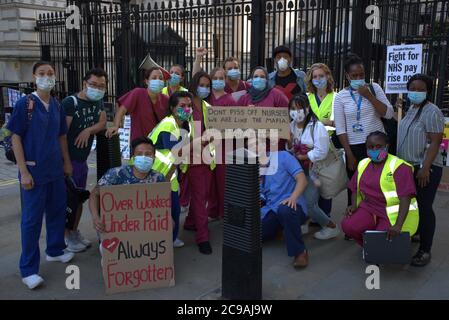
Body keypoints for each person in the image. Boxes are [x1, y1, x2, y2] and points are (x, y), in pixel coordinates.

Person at [7, 61, 74, 290]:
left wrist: (66, 162)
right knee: (32, 221)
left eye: (51, 73)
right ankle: (28, 269)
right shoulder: (25, 105)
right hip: (33, 172)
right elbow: (15, 137)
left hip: (54, 170)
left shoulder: (56, 104)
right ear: (34, 76)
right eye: (42, 73)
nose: (47, 77)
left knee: (57, 212)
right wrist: (23, 171)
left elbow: (61, 137)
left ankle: (55, 250)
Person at [334, 53, 394, 208]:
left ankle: (378, 222)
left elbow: (388, 113)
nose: (358, 78)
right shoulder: (341, 97)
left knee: (379, 184)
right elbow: (340, 128)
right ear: (347, 76)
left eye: (361, 74)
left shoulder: (374, 88)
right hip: (355, 147)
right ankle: (354, 222)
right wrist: (349, 154)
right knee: (355, 187)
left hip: (377, 145)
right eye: (354, 75)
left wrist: (369, 96)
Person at [341, 131, 419, 250]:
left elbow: (405, 197)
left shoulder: (399, 167)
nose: (374, 150)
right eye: (371, 147)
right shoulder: (363, 164)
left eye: (379, 146)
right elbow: (354, 188)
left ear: (387, 146)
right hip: (369, 208)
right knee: (348, 226)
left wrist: (398, 225)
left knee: (382, 240)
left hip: (390, 213)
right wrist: (353, 205)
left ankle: (378, 248)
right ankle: (369, 247)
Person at [397, 74, 445, 266]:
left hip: (425, 167)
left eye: (420, 89)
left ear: (427, 91)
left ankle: (425, 250)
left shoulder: (432, 111)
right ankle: (417, 233)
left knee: (425, 208)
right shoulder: (411, 109)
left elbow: (435, 142)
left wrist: (425, 168)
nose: (415, 92)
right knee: (414, 206)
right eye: (413, 89)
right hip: (408, 166)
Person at [62, 68, 108, 253]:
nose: (97, 88)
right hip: (69, 160)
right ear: (84, 84)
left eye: (101, 86)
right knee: (68, 202)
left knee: (79, 199)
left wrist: (88, 130)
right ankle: (66, 237)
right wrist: (65, 162)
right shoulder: (70, 103)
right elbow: (61, 136)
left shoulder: (98, 102)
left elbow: (103, 122)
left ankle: (73, 232)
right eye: (93, 84)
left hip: (81, 160)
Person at [287, 94, 340, 240]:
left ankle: (331, 226)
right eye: (292, 109)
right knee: (298, 199)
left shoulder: (317, 126)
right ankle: (303, 222)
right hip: (298, 170)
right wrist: (290, 143)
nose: (296, 112)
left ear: (307, 108)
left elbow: (321, 151)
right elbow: (290, 149)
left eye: (299, 108)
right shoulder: (290, 126)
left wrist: (304, 156)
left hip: (314, 171)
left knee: (309, 203)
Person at [88, 137, 165, 234]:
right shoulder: (116, 174)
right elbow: (94, 194)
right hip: (116, 229)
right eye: (139, 154)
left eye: (148, 154)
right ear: (133, 157)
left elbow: (163, 205)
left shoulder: (159, 178)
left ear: (154, 157)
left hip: (145, 230)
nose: (144, 157)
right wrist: (95, 217)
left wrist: (167, 219)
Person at [149, 91, 195, 249]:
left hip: (170, 173)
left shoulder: (185, 125)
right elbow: (177, 152)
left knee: (174, 208)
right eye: (182, 106)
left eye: (189, 106)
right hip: (154, 173)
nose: (187, 109)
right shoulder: (168, 124)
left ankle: (171, 238)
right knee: (159, 209)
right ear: (172, 108)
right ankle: (157, 241)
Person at [181, 71, 216, 255]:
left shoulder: (207, 106)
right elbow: (178, 127)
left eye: (207, 85)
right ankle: (202, 237)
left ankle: (191, 222)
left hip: (207, 158)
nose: (205, 88)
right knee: (200, 197)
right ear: (194, 85)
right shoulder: (186, 106)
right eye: (202, 84)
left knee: (201, 195)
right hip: (192, 158)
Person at [260, 151, 309, 268]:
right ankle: (281, 229)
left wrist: (293, 198)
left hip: (293, 206)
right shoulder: (257, 167)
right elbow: (262, 196)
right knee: (253, 234)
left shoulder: (283, 156)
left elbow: (302, 179)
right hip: (271, 209)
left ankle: (300, 252)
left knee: (285, 210)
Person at [305, 63, 336, 216]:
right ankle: (312, 215)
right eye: (315, 77)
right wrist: (325, 121)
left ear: (328, 77)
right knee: (310, 183)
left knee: (325, 184)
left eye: (321, 76)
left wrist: (319, 122)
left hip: (327, 147)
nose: (318, 79)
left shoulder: (335, 97)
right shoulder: (307, 97)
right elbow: (302, 120)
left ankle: (325, 217)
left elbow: (337, 122)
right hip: (308, 146)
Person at [206, 67, 237, 220]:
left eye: (221, 78)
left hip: (225, 145)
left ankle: (225, 212)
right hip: (206, 145)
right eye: (215, 78)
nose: (218, 81)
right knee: (210, 180)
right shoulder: (206, 98)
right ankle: (212, 210)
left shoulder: (230, 100)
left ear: (225, 80)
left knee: (223, 179)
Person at [105, 67, 168, 141]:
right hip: (139, 143)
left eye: (160, 78)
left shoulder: (166, 99)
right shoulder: (138, 93)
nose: (158, 80)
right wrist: (115, 126)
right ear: (147, 81)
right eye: (154, 78)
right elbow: (122, 110)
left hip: (158, 142)